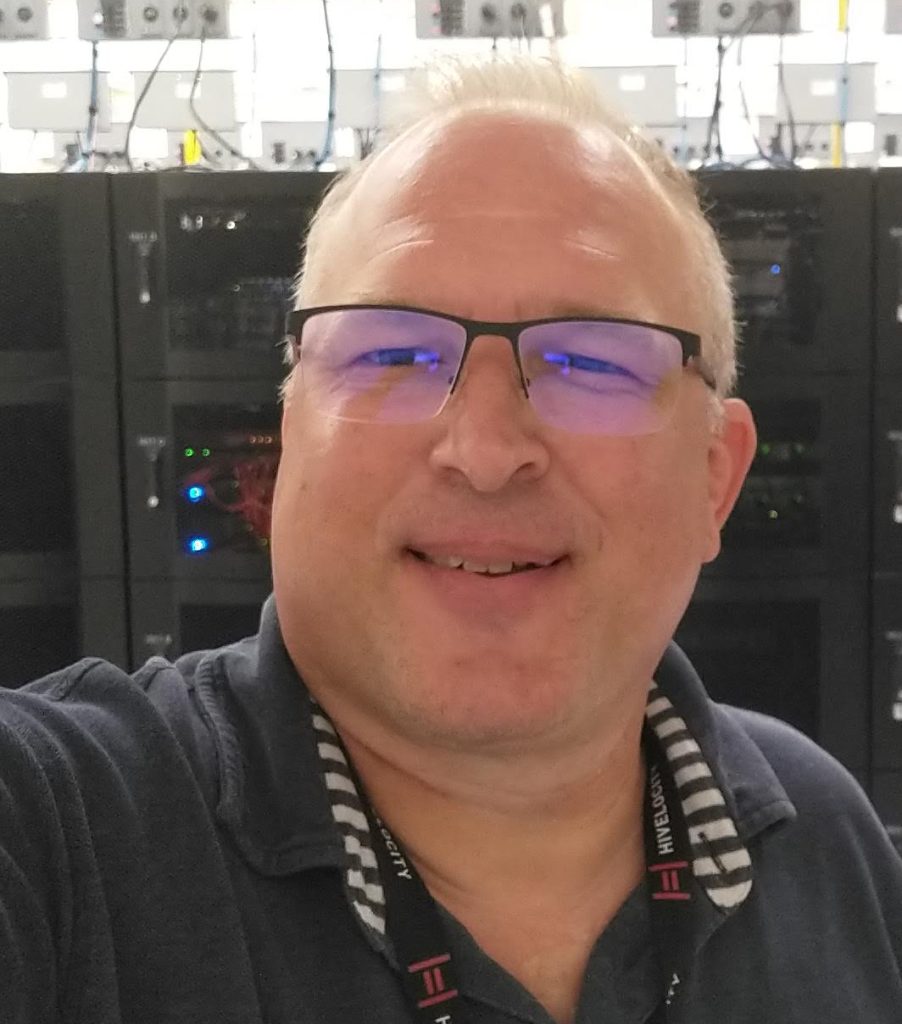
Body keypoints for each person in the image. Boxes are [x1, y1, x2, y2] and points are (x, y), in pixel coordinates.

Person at [2, 57, 901, 1024]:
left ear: (715, 481)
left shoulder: (821, 834)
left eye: (591, 360)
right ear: (292, 428)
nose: (483, 450)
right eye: (390, 352)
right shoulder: (63, 835)